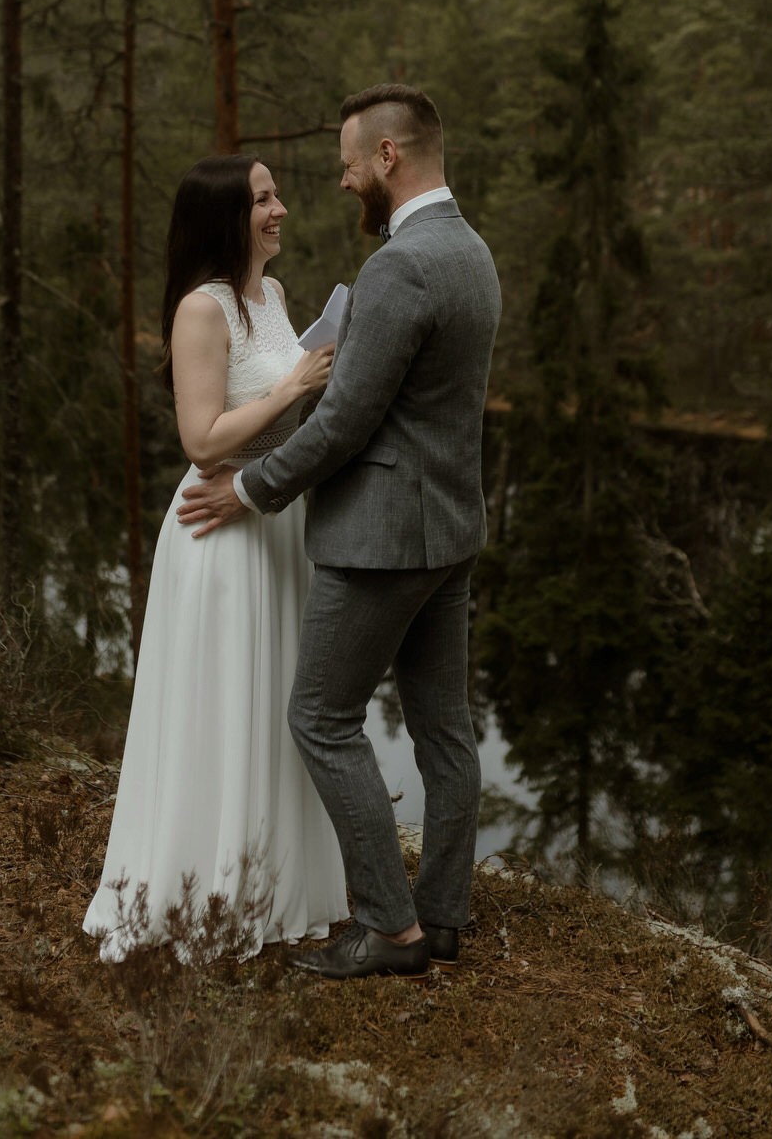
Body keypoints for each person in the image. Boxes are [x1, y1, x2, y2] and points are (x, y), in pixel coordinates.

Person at [179, 85, 502, 981]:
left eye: (351, 165)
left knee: (320, 718)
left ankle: (391, 931)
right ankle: (442, 915)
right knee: (445, 731)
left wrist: (252, 489)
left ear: (389, 156)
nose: (344, 182)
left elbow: (345, 424)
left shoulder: (401, 267)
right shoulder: (471, 251)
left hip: (381, 539)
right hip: (451, 529)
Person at [83, 154, 348, 961]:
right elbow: (200, 439)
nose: (280, 209)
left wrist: (320, 390)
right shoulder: (202, 309)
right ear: (228, 217)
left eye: (276, 195)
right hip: (217, 529)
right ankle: (203, 889)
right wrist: (293, 388)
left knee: (276, 701)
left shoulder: (272, 297)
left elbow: (281, 421)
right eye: (263, 199)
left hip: (271, 519)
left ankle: (272, 884)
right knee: (222, 702)